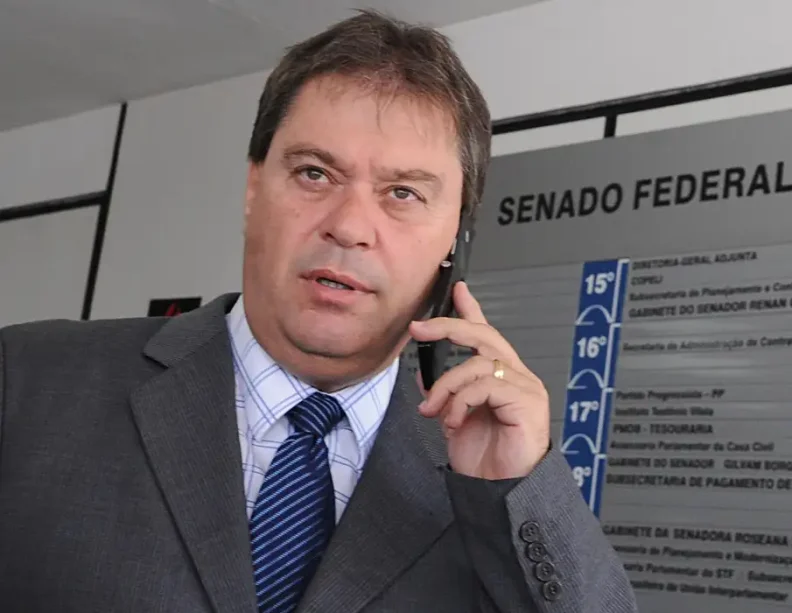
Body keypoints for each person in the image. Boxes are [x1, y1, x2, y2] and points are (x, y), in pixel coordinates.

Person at [0, 10, 639, 613]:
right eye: (314, 174)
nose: (350, 226)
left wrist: (514, 490)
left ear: (455, 239)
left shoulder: (485, 469)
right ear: (254, 188)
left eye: (403, 192)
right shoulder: (26, 379)